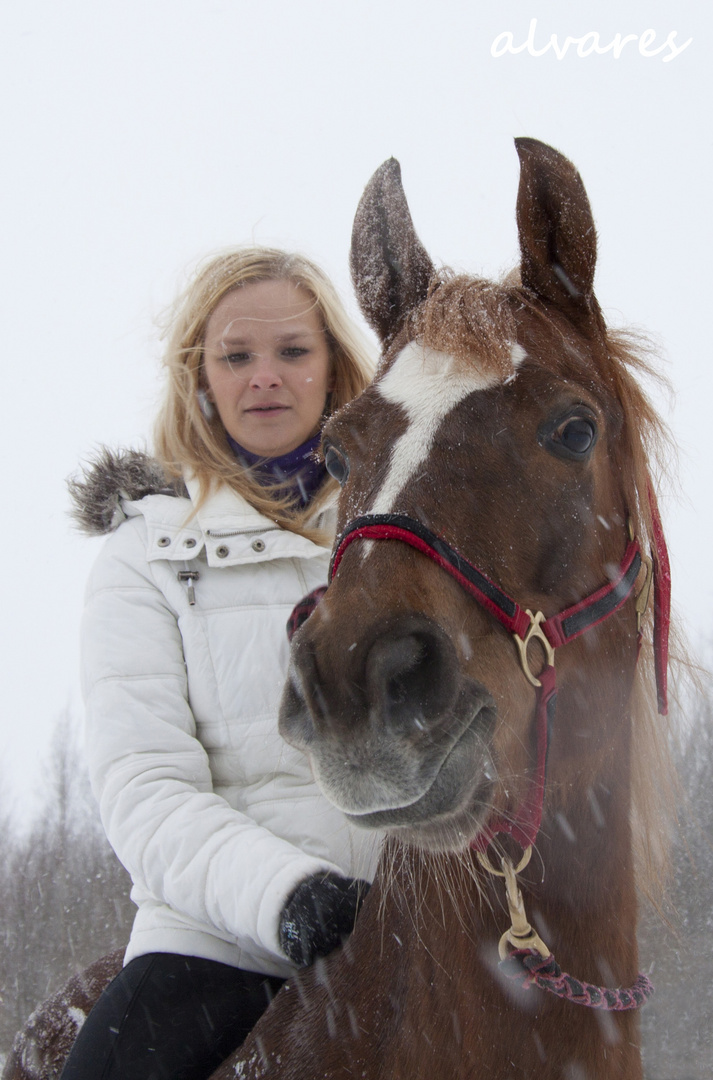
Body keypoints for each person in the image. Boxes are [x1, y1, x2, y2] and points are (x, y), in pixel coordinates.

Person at [62, 248, 378, 1080]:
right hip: (218, 943)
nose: (265, 378)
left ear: (334, 367)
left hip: (418, 933)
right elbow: (145, 789)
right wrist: (292, 900)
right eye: (237, 356)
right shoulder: (143, 554)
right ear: (200, 378)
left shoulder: (399, 535)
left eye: (292, 352)